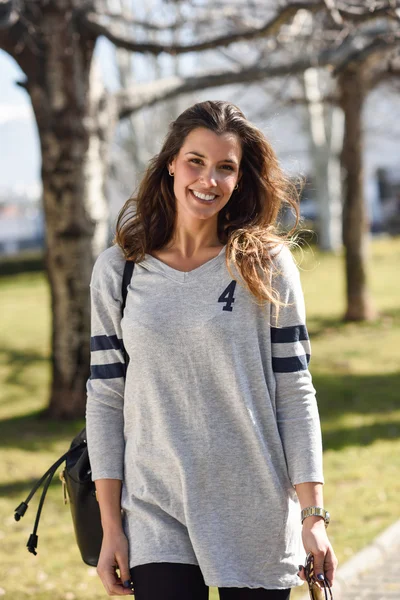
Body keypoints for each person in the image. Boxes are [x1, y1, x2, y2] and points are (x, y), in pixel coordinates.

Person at [85, 100, 337, 600]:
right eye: (196, 161)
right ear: (172, 164)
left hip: (255, 505)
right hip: (156, 508)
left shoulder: (265, 264)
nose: (209, 179)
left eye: (226, 167)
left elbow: (294, 388)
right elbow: (105, 397)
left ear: (240, 179)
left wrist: (312, 516)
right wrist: (111, 527)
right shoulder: (120, 271)